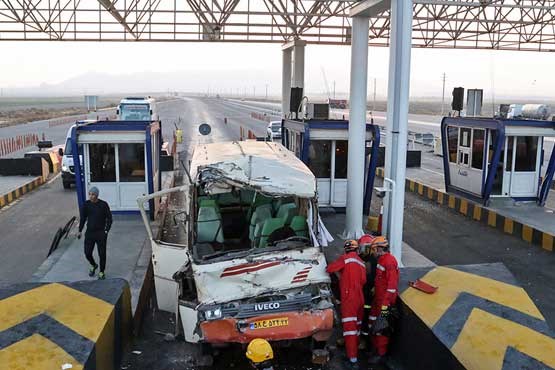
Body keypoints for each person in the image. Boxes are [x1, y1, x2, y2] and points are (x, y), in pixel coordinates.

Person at [326, 240, 367, 369]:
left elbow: (330, 268)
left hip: (350, 299)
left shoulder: (345, 259)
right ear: (357, 250)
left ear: (346, 250)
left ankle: (353, 361)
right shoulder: (362, 263)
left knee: (349, 330)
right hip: (362, 299)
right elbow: (364, 280)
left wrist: (340, 276)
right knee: (357, 328)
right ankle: (358, 352)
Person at [367, 236, 399, 364]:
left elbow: (392, 286)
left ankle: (381, 354)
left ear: (380, 248)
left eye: (374, 249)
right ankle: (375, 348)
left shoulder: (389, 262)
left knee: (382, 327)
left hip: (385, 304)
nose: (373, 252)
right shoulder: (382, 260)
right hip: (378, 300)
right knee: (373, 322)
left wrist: (385, 305)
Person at [78, 186, 112, 280]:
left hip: (101, 233)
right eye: (89, 194)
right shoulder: (86, 205)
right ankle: (93, 264)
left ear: (96, 195)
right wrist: (80, 230)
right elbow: (83, 218)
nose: (91, 196)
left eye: (93, 194)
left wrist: (106, 231)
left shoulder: (103, 205)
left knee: (102, 254)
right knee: (87, 253)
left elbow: (109, 219)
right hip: (90, 233)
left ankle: (101, 271)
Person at [357, 234, 377, 348]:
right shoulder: (360, 257)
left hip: (368, 294)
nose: (363, 250)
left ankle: (365, 341)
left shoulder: (373, 260)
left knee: (366, 317)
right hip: (361, 291)